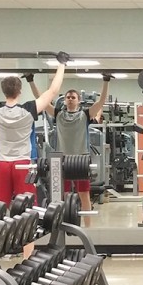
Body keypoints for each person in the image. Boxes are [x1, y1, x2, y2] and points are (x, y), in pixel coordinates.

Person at [0, 51, 67, 256]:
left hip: (2, 165)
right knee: (28, 212)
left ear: (3, 91)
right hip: (23, 165)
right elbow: (53, 91)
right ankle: (28, 256)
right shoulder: (28, 110)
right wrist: (61, 64)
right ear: (19, 91)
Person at [34, 74, 111, 226]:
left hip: (80, 160)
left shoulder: (85, 115)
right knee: (63, 195)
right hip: (62, 161)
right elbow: (41, 100)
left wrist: (106, 81)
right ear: (64, 100)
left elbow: (101, 101)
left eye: (73, 97)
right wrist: (31, 81)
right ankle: (64, 225)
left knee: (84, 195)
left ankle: (88, 227)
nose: (70, 99)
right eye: (68, 97)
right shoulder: (58, 114)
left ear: (78, 100)